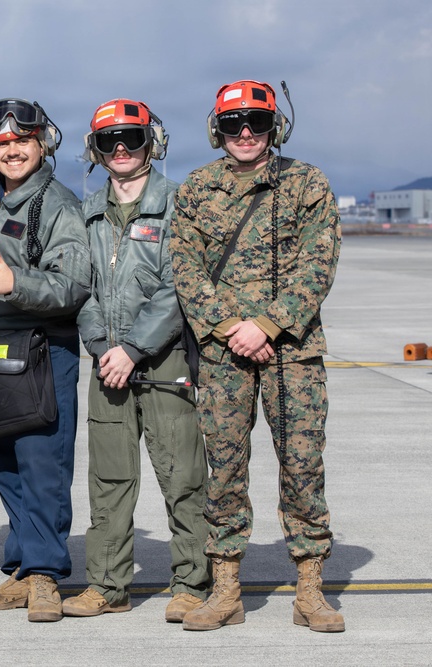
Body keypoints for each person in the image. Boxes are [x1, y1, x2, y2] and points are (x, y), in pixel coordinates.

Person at [170, 80, 343, 632]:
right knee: (224, 470)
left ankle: (310, 589)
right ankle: (226, 590)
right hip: (224, 355)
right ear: (216, 130)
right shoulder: (197, 189)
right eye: (233, 124)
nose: (245, 134)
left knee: (302, 466)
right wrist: (229, 327)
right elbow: (186, 268)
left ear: (276, 127)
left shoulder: (306, 183)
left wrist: (266, 324)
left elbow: (320, 262)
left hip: (292, 353)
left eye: (257, 123)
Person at [67, 99, 210, 621]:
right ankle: (107, 585)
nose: (121, 148)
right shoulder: (85, 214)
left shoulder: (180, 204)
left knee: (183, 474)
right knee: (108, 478)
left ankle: (193, 581)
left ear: (154, 141)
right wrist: (104, 350)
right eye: (109, 140)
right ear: (96, 151)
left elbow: (181, 285)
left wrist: (132, 348)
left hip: (166, 361)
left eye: (131, 136)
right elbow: (78, 288)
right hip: (108, 365)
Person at [0, 98, 90, 623]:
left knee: (42, 464)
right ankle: (22, 568)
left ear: (43, 144)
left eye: (23, 141)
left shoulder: (57, 204)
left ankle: (44, 576)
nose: (12, 150)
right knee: (5, 462)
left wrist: (19, 284)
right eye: (3, 142)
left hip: (39, 350)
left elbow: (74, 285)